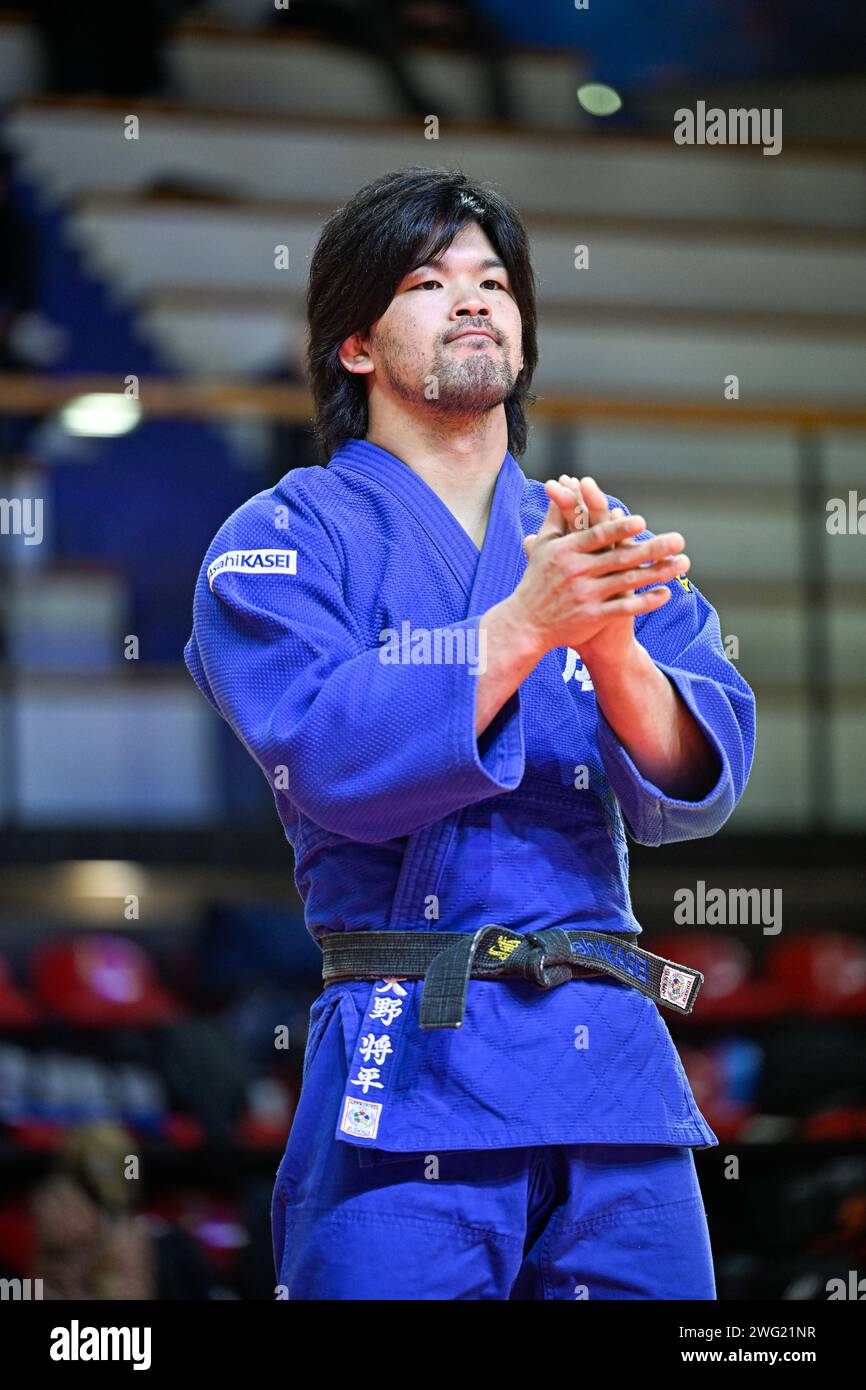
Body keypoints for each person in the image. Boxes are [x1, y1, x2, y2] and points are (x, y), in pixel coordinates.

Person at [184, 166, 756, 1300]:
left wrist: (606, 648)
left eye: (493, 280)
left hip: (610, 1076)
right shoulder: (285, 537)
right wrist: (519, 626)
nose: (473, 299)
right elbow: (326, 751)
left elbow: (697, 775)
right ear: (354, 345)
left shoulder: (588, 539)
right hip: (414, 1065)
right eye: (428, 279)